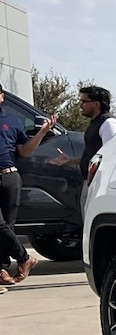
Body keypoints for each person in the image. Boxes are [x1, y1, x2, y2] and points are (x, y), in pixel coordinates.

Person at [0, 83, 58, 290]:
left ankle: (2, 271)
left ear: (2, 97)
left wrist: (42, 132)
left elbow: (25, 151)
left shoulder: (12, 122)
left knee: (7, 226)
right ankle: (25, 258)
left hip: (10, 177)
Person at [50, 85, 116, 220]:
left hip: (101, 185)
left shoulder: (108, 123)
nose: (80, 105)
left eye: (84, 101)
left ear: (96, 104)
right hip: (90, 182)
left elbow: (113, 155)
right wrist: (70, 160)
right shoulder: (95, 123)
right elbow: (93, 156)